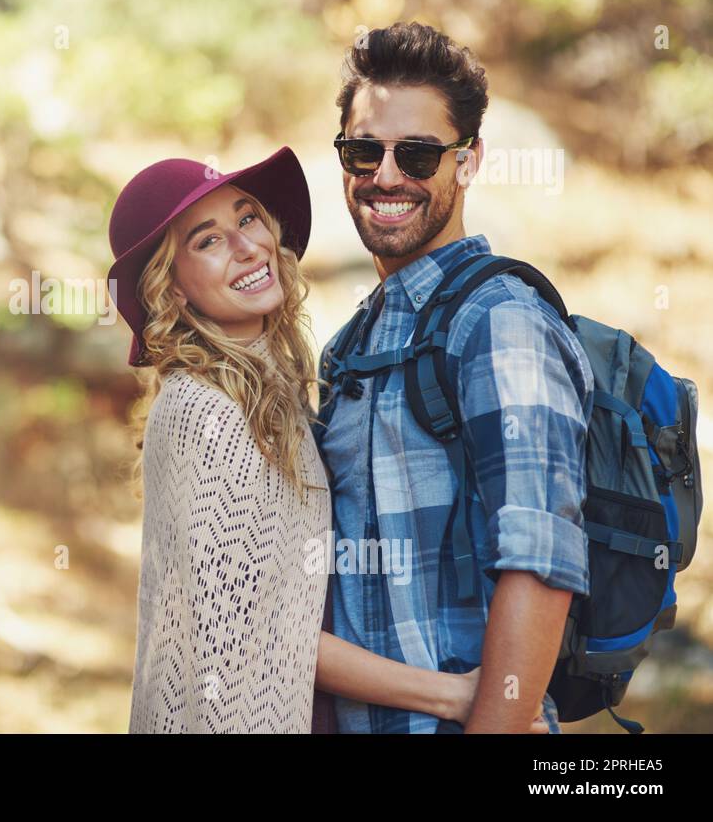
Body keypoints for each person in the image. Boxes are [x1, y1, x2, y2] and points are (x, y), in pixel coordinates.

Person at [107, 148, 548, 733]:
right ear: (174, 288)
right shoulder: (201, 411)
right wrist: (454, 696)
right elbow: (263, 633)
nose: (246, 247)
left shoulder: (275, 391)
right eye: (207, 241)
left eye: (246, 219)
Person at [318, 21, 594, 733]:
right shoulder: (353, 343)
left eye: (417, 154)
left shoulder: (499, 321)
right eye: (362, 151)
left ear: (467, 162)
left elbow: (539, 559)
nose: (385, 177)